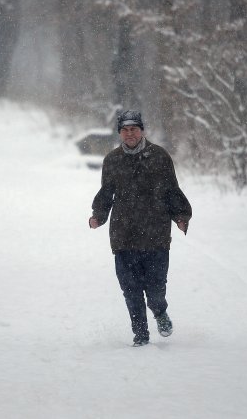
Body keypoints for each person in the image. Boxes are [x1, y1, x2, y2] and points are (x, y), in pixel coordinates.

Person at [88, 110, 192, 347]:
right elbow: (106, 193)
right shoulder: (112, 160)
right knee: (131, 290)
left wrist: (181, 216)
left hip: (155, 236)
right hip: (123, 236)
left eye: (134, 129)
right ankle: (141, 335)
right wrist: (98, 216)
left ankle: (159, 311)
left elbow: (172, 191)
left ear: (142, 131)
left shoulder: (160, 157)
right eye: (125, 130)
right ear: (120, 133)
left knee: (155, 290)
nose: (130, 133)